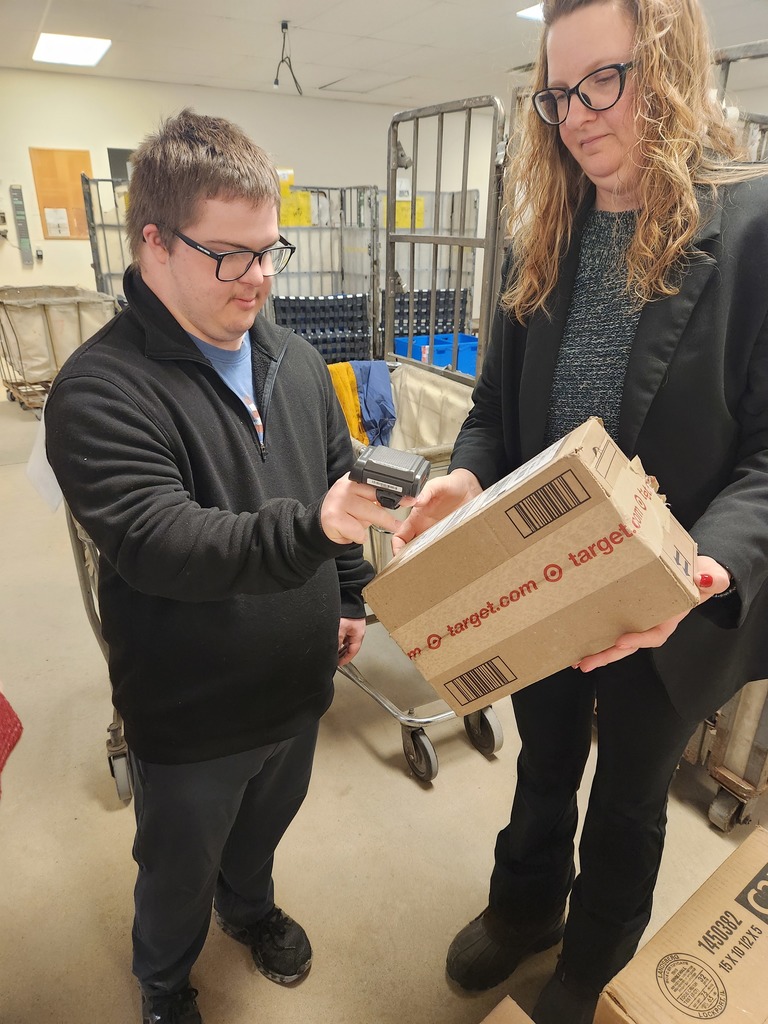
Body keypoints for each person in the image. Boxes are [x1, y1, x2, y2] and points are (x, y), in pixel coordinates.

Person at [393, 2, 768, 1021]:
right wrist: (468, 480)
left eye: (605, 80)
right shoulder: (545, 220)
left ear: (671, 68)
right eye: (559, 94)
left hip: (666, 589)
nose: (579, 117)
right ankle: (525, 911)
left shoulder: (753, 232)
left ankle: (591, 963)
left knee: (630, 797)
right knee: (544, 755)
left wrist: (706, 567)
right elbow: (490, 413)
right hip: (540, 567)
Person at [44, 109, 401, 1024]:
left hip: (296, 679)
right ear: (154, 243)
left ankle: (248, 908)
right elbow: (164, 541)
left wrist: (349, 592)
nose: (262, 278)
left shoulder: (294, 358)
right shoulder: (99, 390)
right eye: (231, 256)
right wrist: (315, 535)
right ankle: (163, 983)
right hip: (193, 707)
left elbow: (337, 481)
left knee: (260, 833)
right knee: (176, 865)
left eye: (269, 249)